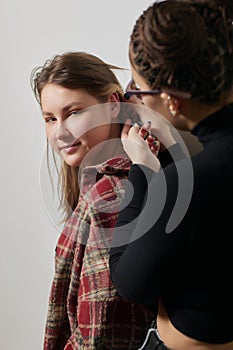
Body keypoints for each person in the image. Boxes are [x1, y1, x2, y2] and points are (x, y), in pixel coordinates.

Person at [109, 1, 233, 350]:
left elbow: (130, 282)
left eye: (140, 89)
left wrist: (142, 168)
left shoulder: (188, 181)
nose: (135, 98)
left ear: (172, 101)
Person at [31, 51, 156, 350]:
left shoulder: (112, 192)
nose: (60, 131)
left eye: (73, 113)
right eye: (50, 119)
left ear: (113, 105)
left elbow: (101, 330)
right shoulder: (105, 181)